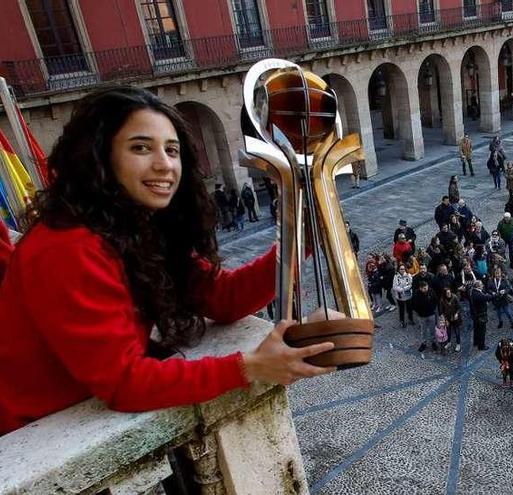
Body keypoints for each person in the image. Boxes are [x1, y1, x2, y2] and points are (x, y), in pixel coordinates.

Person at [0, 86, 339, 435]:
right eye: (141, 148)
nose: (164, 164)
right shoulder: (68, 247)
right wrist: (250, 367)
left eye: (171, 150)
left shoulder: (137, 227)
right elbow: (123, 382)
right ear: (99, 157)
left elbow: (223, 298)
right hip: (32, 429)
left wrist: (299, 242)